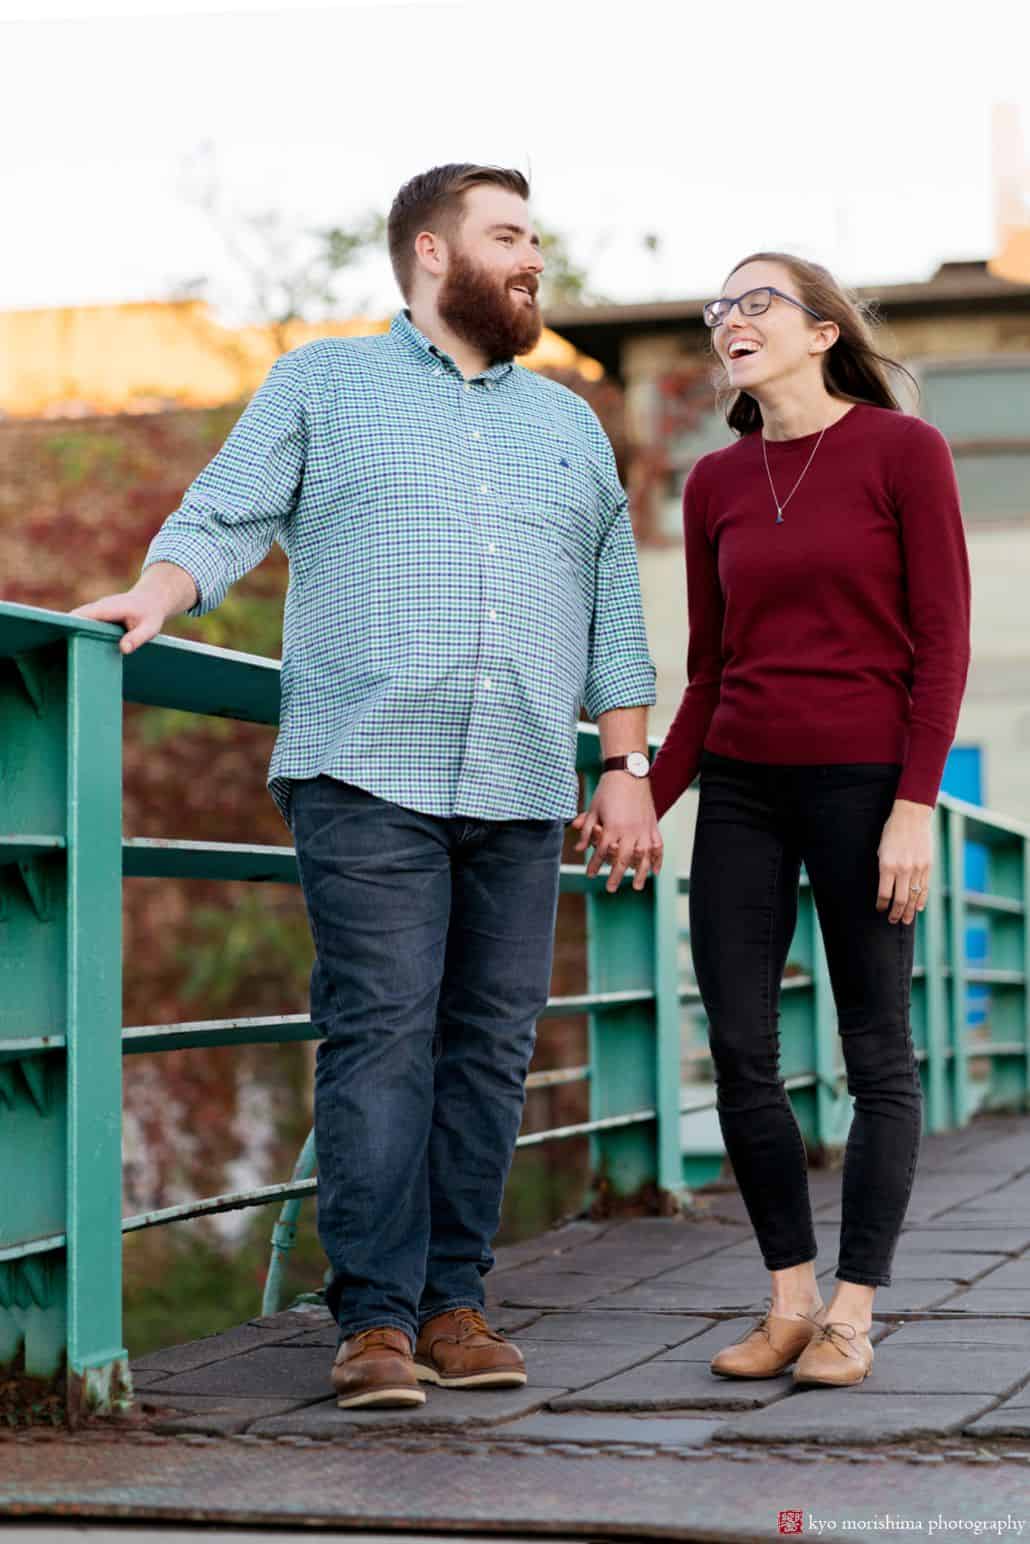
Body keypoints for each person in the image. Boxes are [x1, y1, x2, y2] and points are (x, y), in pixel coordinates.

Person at [72, 164, 662, 1409]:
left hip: (516, 774)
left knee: (491, 1046)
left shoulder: (567, 425)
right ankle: (376, 1321)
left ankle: (456, 1300)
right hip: (364, 762)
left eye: (535, 240)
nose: (532, 259)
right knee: (382, 1031)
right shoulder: (322, 383)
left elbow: (616, 609)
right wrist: (155, 594)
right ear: (432, 252)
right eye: (508, 237)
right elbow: (224, 515)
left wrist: (623, 767)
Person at [622, 252, 969, 1388]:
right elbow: (709, 670)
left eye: (756, 300)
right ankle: (786, 1297)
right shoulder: (713, 482)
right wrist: (643, 794)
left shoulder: (900, 451)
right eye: (719, 307)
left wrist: (913, 804)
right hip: (741, 788)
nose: (731, 318)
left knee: (876, 1050)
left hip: (865, 783)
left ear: (823, 330)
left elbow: (940, 642)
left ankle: (854, 1311)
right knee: (738, 1044)